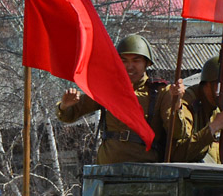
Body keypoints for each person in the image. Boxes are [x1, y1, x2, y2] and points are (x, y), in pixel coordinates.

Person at [56, 34, 166, 164]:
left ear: (147, 63)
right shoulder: (108, 90)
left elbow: (177, 133)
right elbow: (70, 115)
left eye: (136, 60)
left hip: (146, 167)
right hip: (109, 165)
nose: (129, 66)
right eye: (124, 61)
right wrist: (64, 106)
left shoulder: (160, 92)